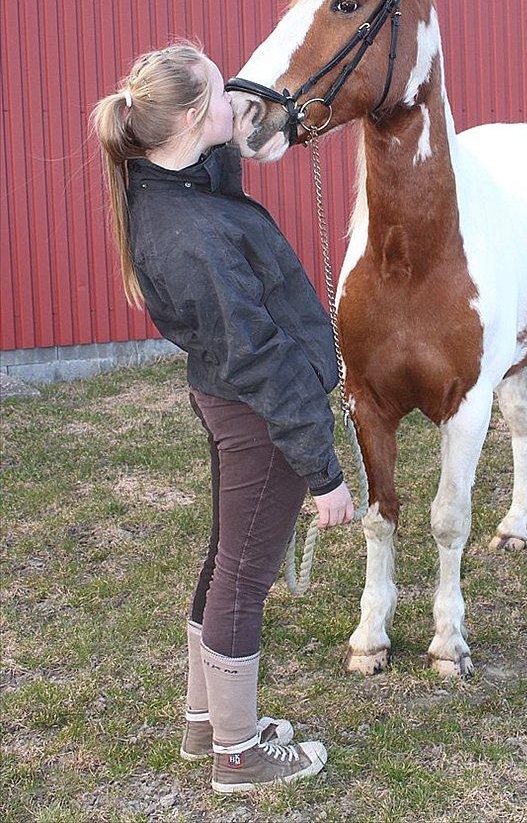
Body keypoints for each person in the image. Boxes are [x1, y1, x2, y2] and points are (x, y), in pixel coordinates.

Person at [90, 42, 354, 794]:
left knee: (225, 558)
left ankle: (203, 724)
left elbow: (220, 162)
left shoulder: (174, 184)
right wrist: (323, 473)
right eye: (220, 90)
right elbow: (262, 361)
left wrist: (248, 121)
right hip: (258, 414)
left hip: (231, 400)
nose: (239, 96)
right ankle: (238, 756)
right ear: (193, 118)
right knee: (243, 575)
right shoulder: (194, 237)